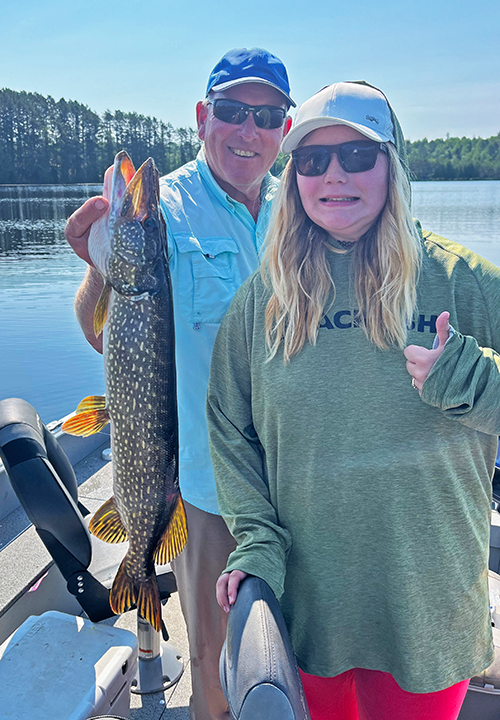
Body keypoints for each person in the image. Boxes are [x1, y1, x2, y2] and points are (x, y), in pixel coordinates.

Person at [207, 81, 500, 720]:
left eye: (356, 156)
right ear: (294, 178)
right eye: (312, 160)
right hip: (309, 605)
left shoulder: (465, 281)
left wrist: (474, 381)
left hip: (429, 605)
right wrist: (255, 541)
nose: (333, 175)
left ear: (392, 166)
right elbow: (230, 431)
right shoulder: (263, 301)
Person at [64, 47, 294, 720]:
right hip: (207, 490)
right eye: (231, 111)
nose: (248, 131)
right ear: (202, 117)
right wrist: (97, 266)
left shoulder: (306, 205)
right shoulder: (167, 208)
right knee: (220, 669)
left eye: (268, 115)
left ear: (285, 128)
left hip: (302, 483)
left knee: (304, 654)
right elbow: (99, 330)